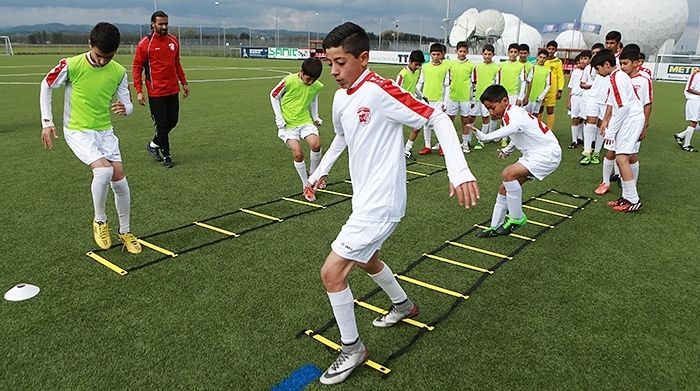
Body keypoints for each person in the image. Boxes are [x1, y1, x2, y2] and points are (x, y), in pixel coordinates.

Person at [307, 22, 479, 385]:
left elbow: (438, 117)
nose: (334, 71)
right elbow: (341, 137)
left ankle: (352, 349)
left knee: (331, 273)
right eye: (330, 63)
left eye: (341, 62)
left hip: (381, 203)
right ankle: (404, 305)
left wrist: (459, 170)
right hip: (363, 200)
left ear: (363, 58)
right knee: (368, 260)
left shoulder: (381, 90)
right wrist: (319, 172)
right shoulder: (341, 98)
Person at [40, 22, 141, 254]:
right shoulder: (71, 65)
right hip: (77, 130)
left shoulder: (118, 71)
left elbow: (128, 103)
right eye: (99, 55)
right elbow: (46, 85)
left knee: (119, 180)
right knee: (103, 171)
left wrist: (126, 108)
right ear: (89, 44)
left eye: (109, 57)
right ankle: (99, 221)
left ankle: (125, 231)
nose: (103, 61)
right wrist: (48, 122)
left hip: (104, 131)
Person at [471, 84, 561, 236]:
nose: (490, 112)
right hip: (536, 154)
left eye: (492, 107)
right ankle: (494, 227)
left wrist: (486, 137)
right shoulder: (510, 114)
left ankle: (517, 218)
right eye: (488, 109)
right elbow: (518, 133)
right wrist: (508, 150)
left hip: (546, 154)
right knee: (504, 188)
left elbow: (514, 128)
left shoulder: (515, 114)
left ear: (505, 101)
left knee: (508, 174)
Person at [132, 10, 189, 168]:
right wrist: (138, 91)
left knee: (173, 121)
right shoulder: (145, 44)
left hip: (172, 89)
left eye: (166, 24)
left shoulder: (174, 41)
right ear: (152, 24)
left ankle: (153, 144)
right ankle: (167, 156)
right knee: (162, 124)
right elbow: (137, 68)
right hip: (155, 92)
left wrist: (184, 83)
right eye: (160, 24)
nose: (164, 27)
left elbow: (176, 63)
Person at [593, 49, 645, 212]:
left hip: (631, 119)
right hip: (629, 118)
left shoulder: (617, 77)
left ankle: (634, 200)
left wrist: (611, 131)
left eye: (597, 68)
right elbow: (615, 102)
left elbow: (623, 107)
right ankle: (627, 197)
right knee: (619, 157)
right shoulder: (617, 76)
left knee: (622, 158)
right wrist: (607, 121)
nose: (597, 72)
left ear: (607, 65)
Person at [270, 57, 324, 201]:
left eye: (314, 79)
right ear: (301, 72)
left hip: (305, 121)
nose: (310, 82)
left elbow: (313, 98)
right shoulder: (288, 81)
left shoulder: (316, 85)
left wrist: (316, 116)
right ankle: (306, 185)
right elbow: (274, 95)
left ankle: (313, 174)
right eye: (308, 79)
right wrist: (279, 117)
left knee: (316, 145)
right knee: (298, 153)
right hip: (288, 125)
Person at [412, 42, 451, 156]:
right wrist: (417, 97)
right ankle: (427, 146)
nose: (435, 57)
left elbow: (447, 85)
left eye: (438, 54)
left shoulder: (446, 67)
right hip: (426, 100)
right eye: (433, 54)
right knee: (425, 123)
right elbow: (420, 82)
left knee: (438, 124)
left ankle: (441, 146)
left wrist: (445, 101)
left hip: (439, 99)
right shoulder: (425, 67)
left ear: (442, 55)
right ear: (430, 54)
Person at [445, 41, 476, 153]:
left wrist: (472, 99)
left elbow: (474, 83)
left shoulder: (471, 66)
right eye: (460, 51)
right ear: (456, 51)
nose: (462, 53)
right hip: (452, 97)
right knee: (448, 121)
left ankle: (465, 144)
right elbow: (447, 82)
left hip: (465, 98)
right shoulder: (451, 64)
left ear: (467, 52)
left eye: (464, 51)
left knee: (465, 121)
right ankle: (444, 142)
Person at [579, 43, 606, 165]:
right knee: (589, 124)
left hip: (605, 99)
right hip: (592, 98)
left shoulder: (609, 65)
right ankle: (587, 152)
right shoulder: (589, 67)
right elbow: (584, 83)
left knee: (601, 126)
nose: (595, 55)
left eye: (597, 53)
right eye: (593, 53)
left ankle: (596, 153)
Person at [471, 44, 499, 150]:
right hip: (477, 97)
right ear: (482, 54)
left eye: (489, 54)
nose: (487, 56)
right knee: (471, 117)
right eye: (485, 54)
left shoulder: (497, 67)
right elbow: (474, 82)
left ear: (493, 55)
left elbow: (497, 83)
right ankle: (467, 141)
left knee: (485, 117)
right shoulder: (477, 67)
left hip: (489, 99)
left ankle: (481, 140)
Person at [399, 49, 426, 158]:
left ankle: (407, 149)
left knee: (418, 124)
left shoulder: (417, 72)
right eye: (416, 64)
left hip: (412, 103)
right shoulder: (402, 74)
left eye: (419, 65)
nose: (417, 67)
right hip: (401, 105)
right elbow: (397, 89)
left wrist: (422, 96)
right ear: (409, 61)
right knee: (396, 129)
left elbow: (414, 86)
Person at [567, 51, 591, 148]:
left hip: (585, 98)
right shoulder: (576, 72)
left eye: (585, 58)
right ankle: (574, 140)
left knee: (584, 119)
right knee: (575, 118)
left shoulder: (591, 71)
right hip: (575, 97)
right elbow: (571, 86)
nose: (583, 61)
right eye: (581, 58)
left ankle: (582, 138)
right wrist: (569, 100)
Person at [674, 68, 700, 152]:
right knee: (693, 122)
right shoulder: (696, 74)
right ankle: (686, 145)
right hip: (694, 100)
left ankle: (681, 135)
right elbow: (689, 88)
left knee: (696, 123)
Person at [543, 40, 565, 132]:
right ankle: (538, 129)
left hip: (552, 90)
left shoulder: (557, 62)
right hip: (541, 89)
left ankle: (549, 130)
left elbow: (560, 77)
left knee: (550, 110)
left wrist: (560, 90)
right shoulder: (542, 59)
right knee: (538, 110)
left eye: (553, 49)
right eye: (549, 49)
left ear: (556, 50)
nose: (550, 51)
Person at [523, 49, 551, 116]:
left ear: (546, 59)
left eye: (544, 58)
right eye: (540, 57)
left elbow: (549, 84)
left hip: (538, 98)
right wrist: (526, 96)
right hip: (529, 97)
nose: (542, 59)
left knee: (535, 116)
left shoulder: (548, 70)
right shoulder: (533, 68)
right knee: (524, 115)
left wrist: (542, 96)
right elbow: (529, 82)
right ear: (537, 57)